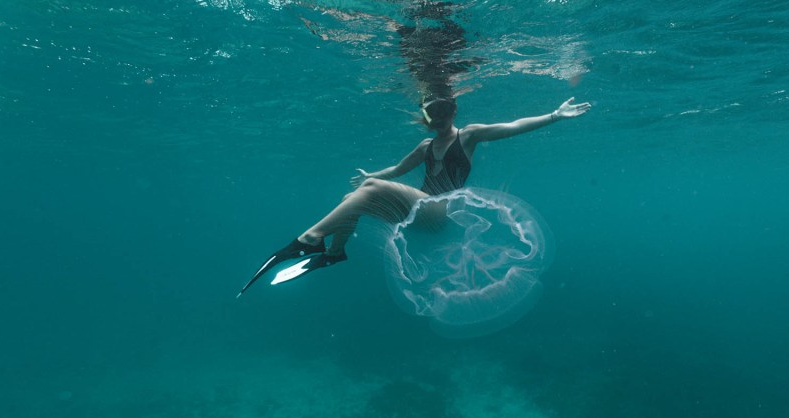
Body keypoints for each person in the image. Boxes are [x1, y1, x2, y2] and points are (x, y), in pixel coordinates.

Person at [237, 96, 591, 296]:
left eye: (441, 110)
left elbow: (513, 127)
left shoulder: (469, 135)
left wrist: (554, 116)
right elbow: (394, 171)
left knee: (370, 192)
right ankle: (333, 252)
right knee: (354, 197)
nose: (435, 118)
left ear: (453, 110)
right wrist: (370, 175)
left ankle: (310, 238)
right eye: (429, 112)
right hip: (416, 213)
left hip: (440, 216)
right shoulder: (425, 145)